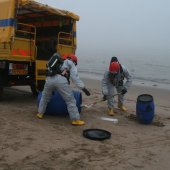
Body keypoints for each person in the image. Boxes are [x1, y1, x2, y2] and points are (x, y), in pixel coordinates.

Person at [37, 53, 91, 126]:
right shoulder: (70, 63)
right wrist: (83, 88)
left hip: (49, 79)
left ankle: (40, 113)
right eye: (75, 63)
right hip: (60, 80)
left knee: (45, 97)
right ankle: (75, 120)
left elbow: (49, 69)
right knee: (70, 100)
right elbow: (75, 78)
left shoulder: (58, 61)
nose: (74, 64)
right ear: (73, 60)